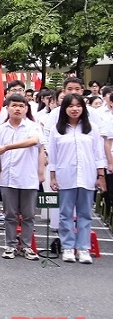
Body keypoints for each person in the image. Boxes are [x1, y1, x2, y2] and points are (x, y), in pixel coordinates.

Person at [47, 93, 106, 264]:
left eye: (78, 106)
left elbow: (98, 154)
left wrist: (100, 176)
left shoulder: (92, 128)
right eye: (70, 106)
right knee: (65, 214)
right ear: (64, 109)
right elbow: (53, 156)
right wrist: (53, 177)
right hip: (65, 176)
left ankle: (83, 248)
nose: (75, 109)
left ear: (83, 108)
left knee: (85, 214)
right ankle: (67, 247)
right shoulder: (57, 130)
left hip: (87, 177)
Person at [0, 94, 42, 260]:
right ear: (7, 108)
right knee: (10, 215)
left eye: (21, 106)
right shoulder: (0, 130)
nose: (17, 109)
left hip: (28, 177)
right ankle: (10, 245)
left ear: (26, 109)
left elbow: (34, 141)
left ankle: (27, 246)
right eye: (14, 105)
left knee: (28, 215)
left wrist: (7, 147)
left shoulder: (32, 126)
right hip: (8, 177)